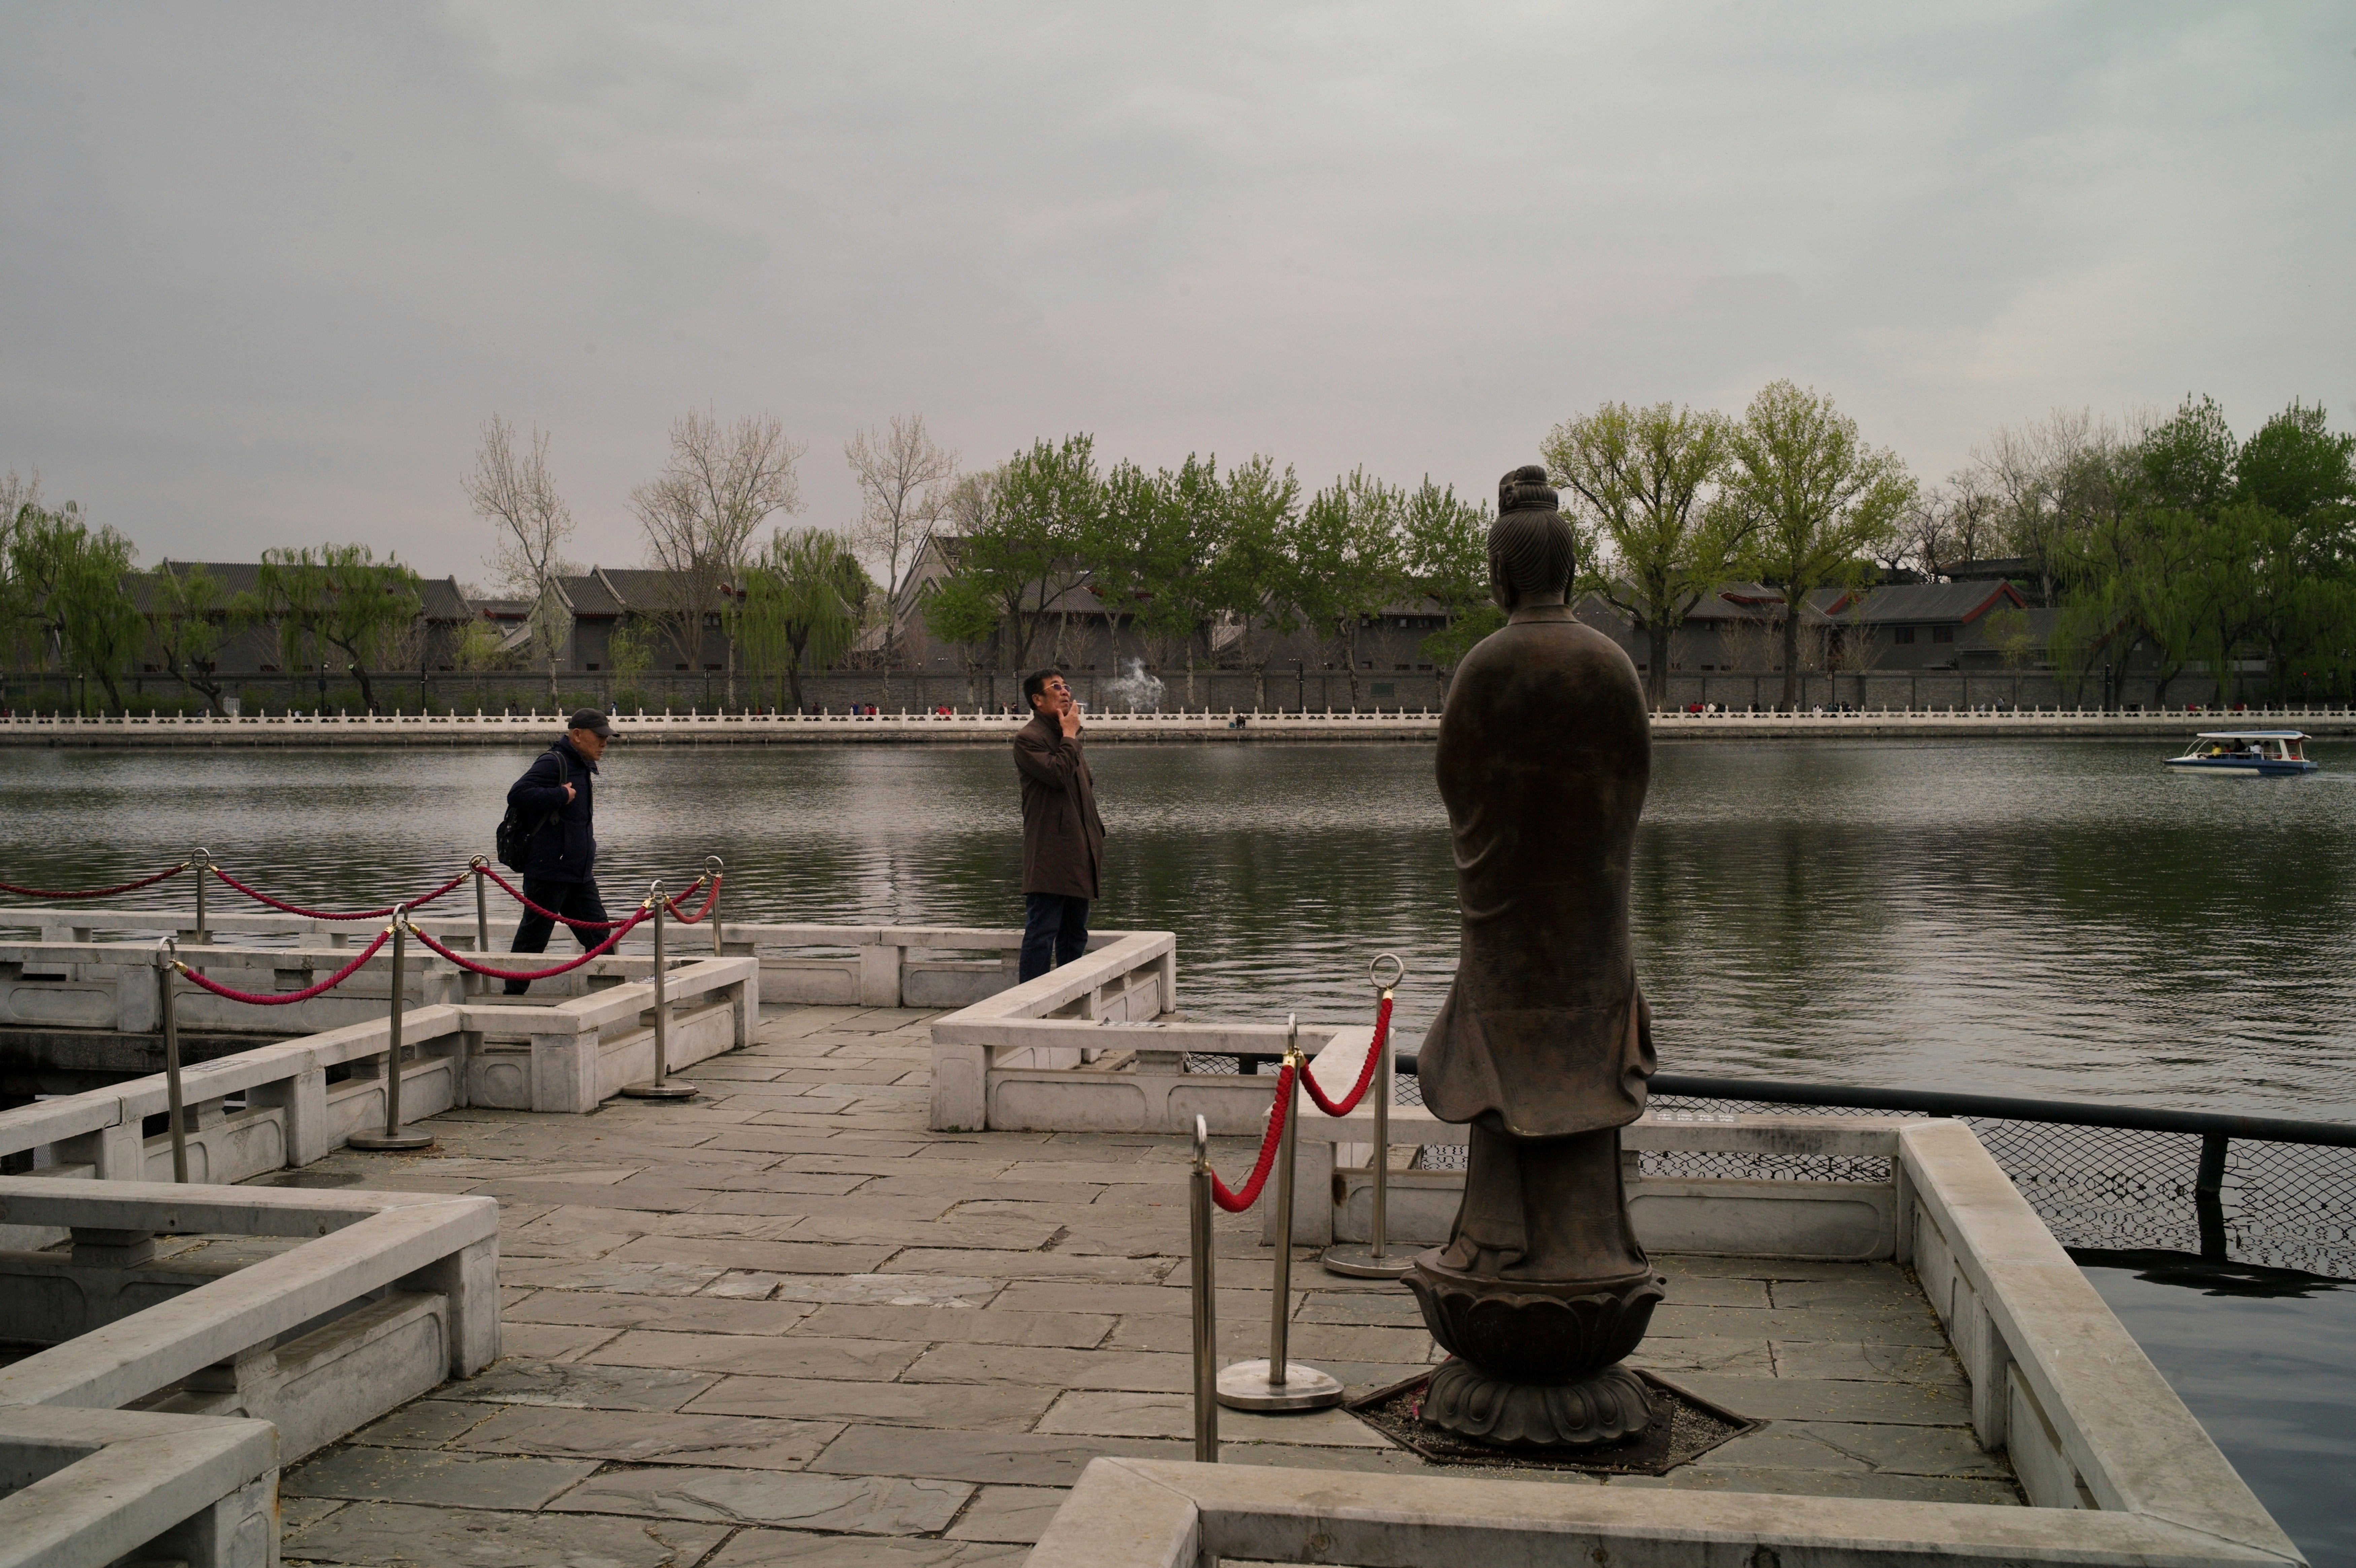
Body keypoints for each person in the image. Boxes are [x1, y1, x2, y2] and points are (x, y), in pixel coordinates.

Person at [503, 708, 614, 995]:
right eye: (600, 737)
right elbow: (517, 794)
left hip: (579, 874)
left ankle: (612, 997)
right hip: (549, 872)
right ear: (577, 735)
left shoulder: (581, 766)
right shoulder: (555, 763)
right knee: (533, 939)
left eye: (607, 737)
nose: (605, 743)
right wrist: (560, 795)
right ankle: (511, 999)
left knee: (600, 937)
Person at [1013, 668, 1104, 983]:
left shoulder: (1068, 738)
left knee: (1075, 934)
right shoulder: (1029, 739)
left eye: (1067, 686)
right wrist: (1069, 736)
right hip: (1051, 853)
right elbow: (1056, 775)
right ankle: (1030, 1003)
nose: (1065, 691)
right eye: (1056, 687)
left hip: (1079, 852)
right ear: (1037, 700)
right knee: (1043, 932)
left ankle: (1069, 995)